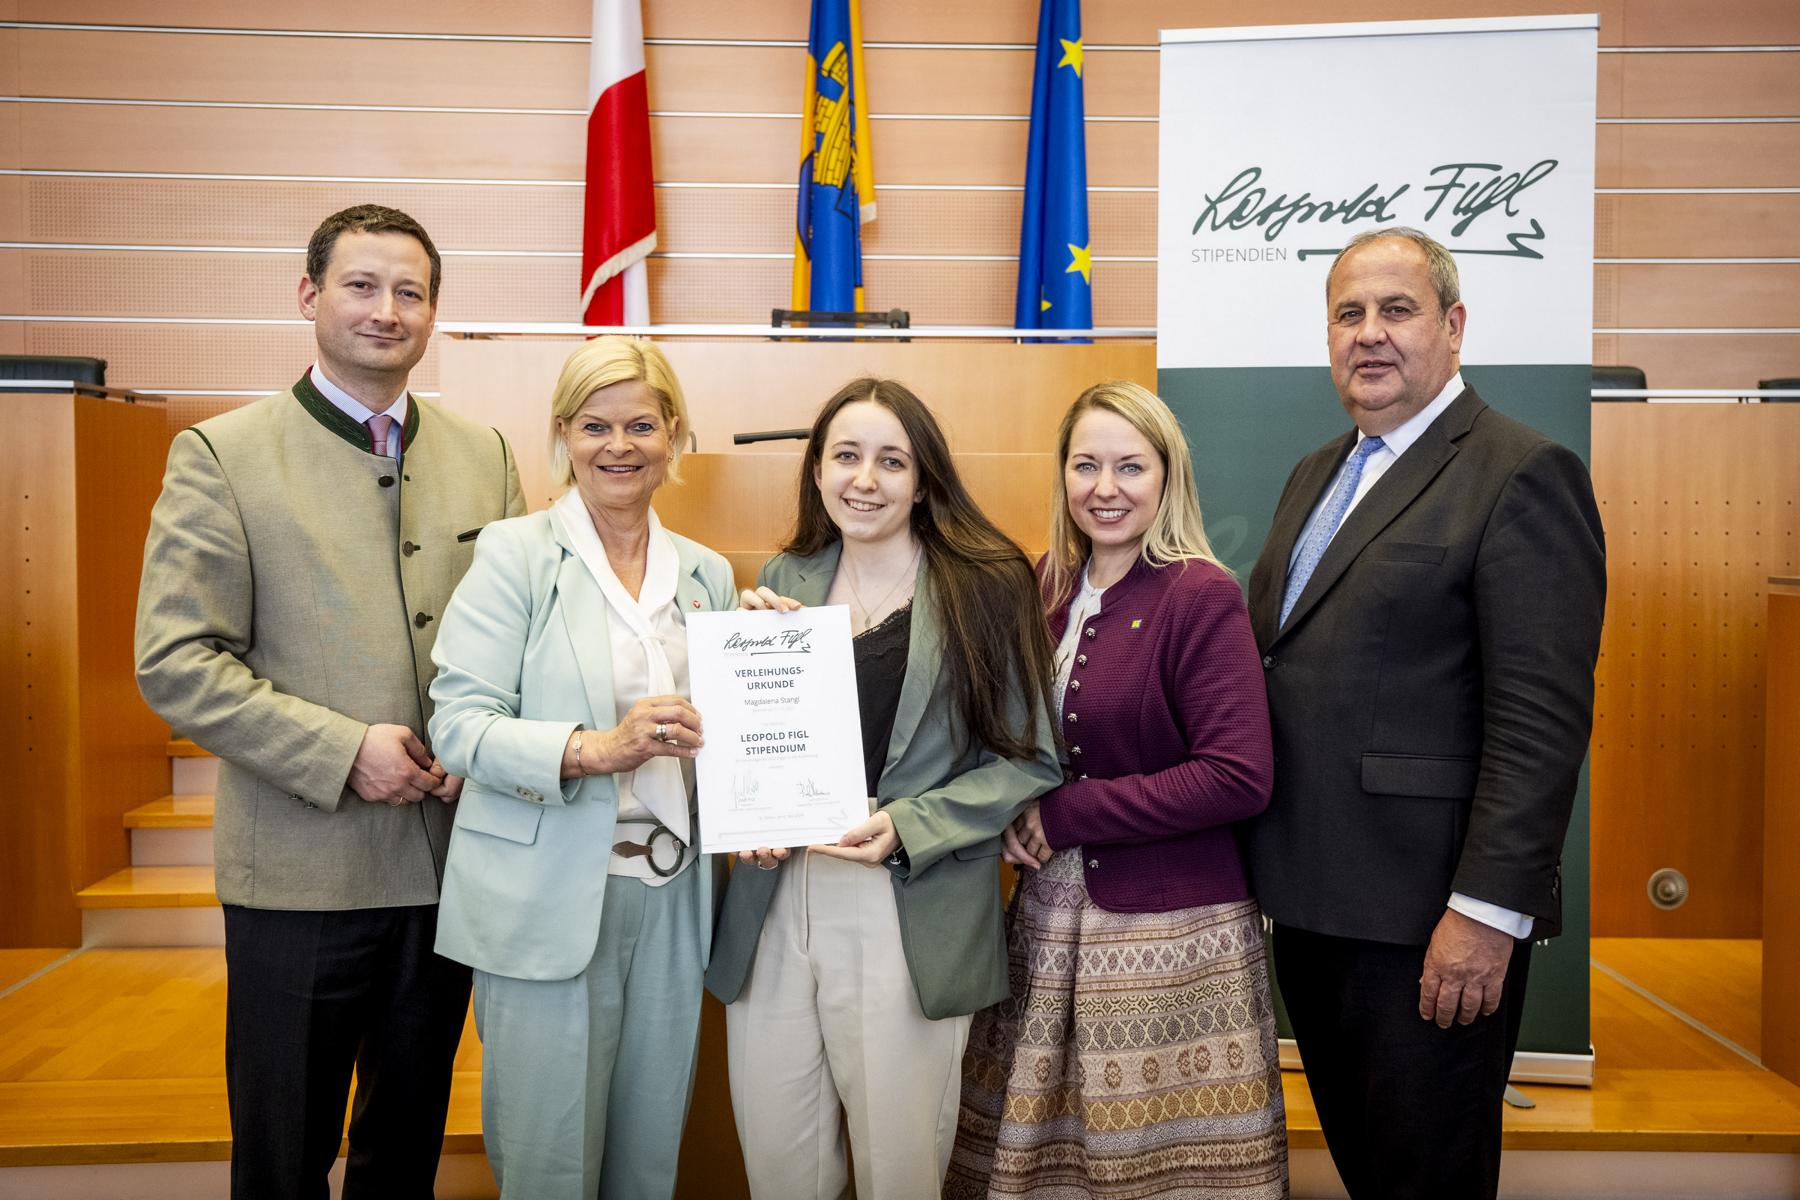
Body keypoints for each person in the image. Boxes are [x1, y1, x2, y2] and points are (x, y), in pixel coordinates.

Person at [134, 204, 524, 1198]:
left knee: (405, 1150)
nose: (386, 310)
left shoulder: (486, 453)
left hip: (447, 868)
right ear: (308, 295)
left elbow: (530, 636)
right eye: (361, 285)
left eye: (410, 292)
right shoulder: (222, 454)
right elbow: (176, 661)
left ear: (432, 312)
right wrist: (344, 750)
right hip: (299, 876)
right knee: (284, 1153)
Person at [1242, 227, 1606, 1199]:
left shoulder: (1521, 471)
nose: (1369, 333)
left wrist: (1485, 915)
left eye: (1396, 310)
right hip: (1312, 909)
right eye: (1348, 314)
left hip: (1429, 925)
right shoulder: (1315, 473)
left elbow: (1540, 725)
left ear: (1453, 326)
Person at [705, 378, 1063, 1200]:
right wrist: (746, 796)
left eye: (891, 461)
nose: (865, 479)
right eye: (846, 456)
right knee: (781, 1170)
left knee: (898, 1170)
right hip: (774, 897)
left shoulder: (986, 582)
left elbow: (1032, 761)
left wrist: (910, 823)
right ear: (817, 471)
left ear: (925, 478)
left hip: (907, 899)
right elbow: (749, 742)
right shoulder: (784, 576)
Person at [946, 380, 1289, 1200]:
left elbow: (1238, 776)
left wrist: (1065, 813)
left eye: (1130, 466)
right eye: (1086, 465)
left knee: (1156, 1174)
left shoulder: (1200, 594)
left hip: (1169, 941)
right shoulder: (1043, 586)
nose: (1105, 488)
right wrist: (1006, 807)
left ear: (1168, 476)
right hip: (1045, 923)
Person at [427, 337, 734, 1199]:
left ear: (673, 434)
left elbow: (728, 735)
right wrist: (597, 748)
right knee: (549, 1165)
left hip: (672, 897)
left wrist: (770, 653)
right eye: (595, 425)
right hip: (548, 895)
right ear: (563, 434)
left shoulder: (707, 575)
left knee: (647, 1157)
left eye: (641, 424)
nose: (618, 445)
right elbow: (459, 727)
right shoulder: (515, 554)